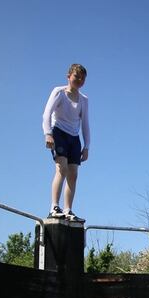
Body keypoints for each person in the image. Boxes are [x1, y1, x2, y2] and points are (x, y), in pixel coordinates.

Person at [42, 63, 90, 222]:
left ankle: (68, 209)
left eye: (82, 78)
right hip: (59, 133)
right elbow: (47, 114)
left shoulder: (84, 100)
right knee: (61, 169)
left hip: (74, 138)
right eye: (77, 76)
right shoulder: (59, 92)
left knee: (73, 174)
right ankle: (54, 206)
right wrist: (48, 134)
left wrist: (86, 146)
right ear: (69, 76)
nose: (79, 80)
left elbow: (85, 124)